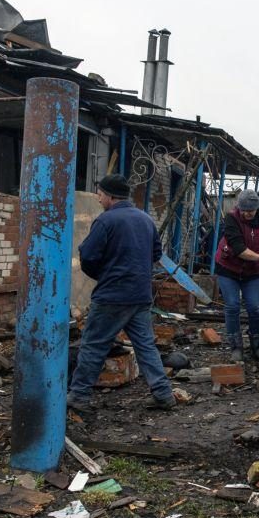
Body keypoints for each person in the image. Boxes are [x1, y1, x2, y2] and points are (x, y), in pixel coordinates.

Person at [67, 174, 176, 411]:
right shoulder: (146, 220)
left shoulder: (106, 221)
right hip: (140, 295)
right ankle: (163, 394)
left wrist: (103, 275)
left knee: (93, 344)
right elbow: (156, 254)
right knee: (146, 346)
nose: (98, 198)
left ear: (110, 196)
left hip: (112, 296)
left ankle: (78, 395)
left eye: (100, 194)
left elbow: (88, 256)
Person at [214, 189, 259, 362]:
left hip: (252, 271)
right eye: (244, 210)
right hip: (228, 268)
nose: (247, 214)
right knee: (232, 306)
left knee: (254, 308)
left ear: (257, 208)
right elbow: (238, 248)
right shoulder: (232, 218)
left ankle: (258, 345)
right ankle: (236, 347)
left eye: (250, 211)